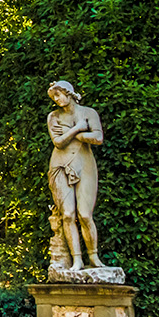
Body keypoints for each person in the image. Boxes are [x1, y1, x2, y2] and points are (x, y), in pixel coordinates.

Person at [45, 80, 105, 272]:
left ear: (69, 92)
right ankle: (77, 259)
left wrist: (74, 135)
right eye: (54, 97)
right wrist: (79, 128)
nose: (57, 99)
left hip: (84, 164)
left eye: (59, 94)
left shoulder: (89, 113)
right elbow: (59, 142)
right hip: (60, 165)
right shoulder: (53, 117)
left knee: (85, 215)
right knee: (68, 214)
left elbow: (97, 138)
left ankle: (94, 257)